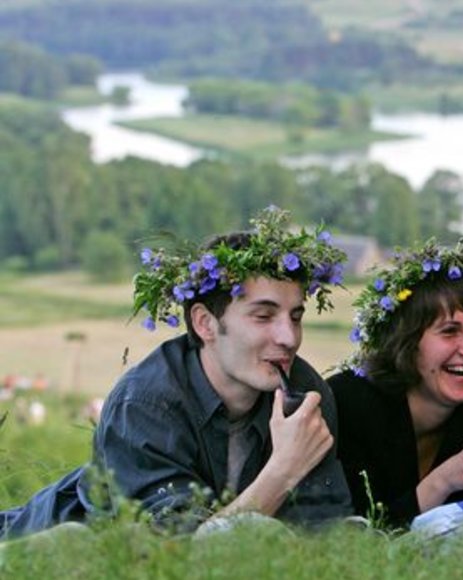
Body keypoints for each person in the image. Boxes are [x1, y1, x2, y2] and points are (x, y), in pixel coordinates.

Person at [0, 207, 353, 539]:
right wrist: (284, 470)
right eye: (263, 316)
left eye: (295, 316)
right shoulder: (145, 404)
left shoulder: (306, 394)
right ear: (205, 323)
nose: (289, 338)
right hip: (41, 547)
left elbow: (319, 535)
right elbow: (179, 552)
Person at [328, 236, 463, 528]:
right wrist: (445, 479)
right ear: (407, 341)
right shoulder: (350, 404)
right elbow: (356, 534)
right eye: (449, 331)